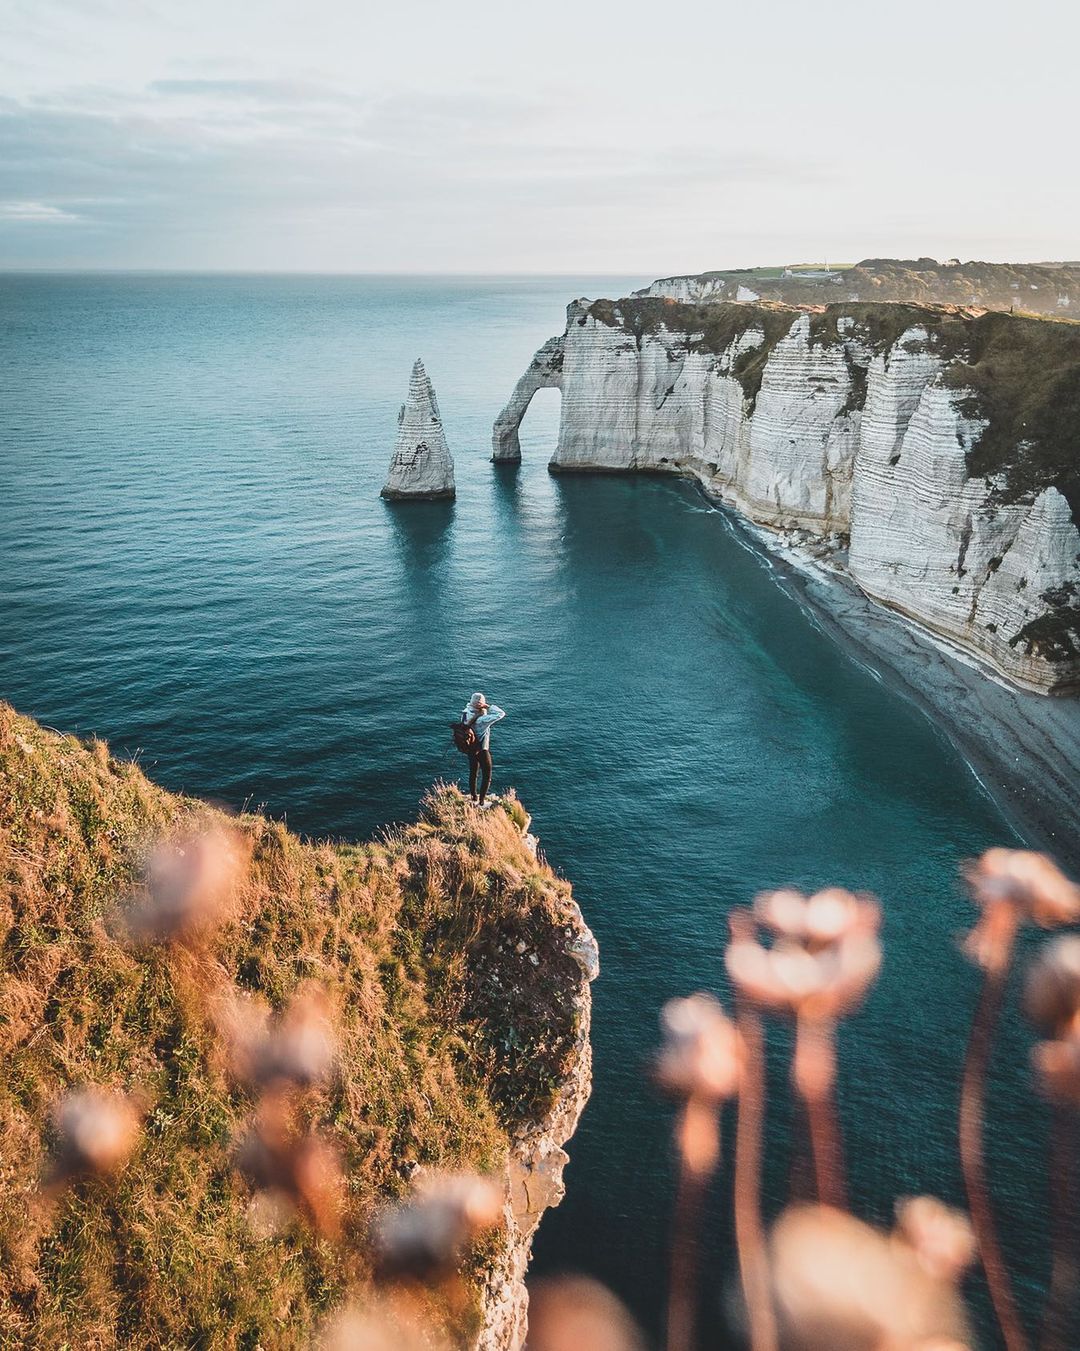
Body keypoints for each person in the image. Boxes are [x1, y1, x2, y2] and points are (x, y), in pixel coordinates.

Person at [461, 692, 505, 807]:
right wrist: (489, 707)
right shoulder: (483, 719)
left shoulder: (465, 714)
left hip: (470, 748)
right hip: (482, 749)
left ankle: (473, 796)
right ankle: (481, 801)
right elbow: (501, 714)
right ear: (481, 705)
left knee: (473, 773)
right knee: (487, 774)